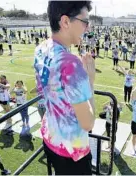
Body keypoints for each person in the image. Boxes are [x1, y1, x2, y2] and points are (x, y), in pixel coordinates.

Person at [34, 1, 95, 175]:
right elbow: (88, 123)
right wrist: (89, 81)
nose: (87, 27)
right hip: (72, 152)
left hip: (50, 137)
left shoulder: (41, 49)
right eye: (84, 21)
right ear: (66, 22)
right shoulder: (71, 64)